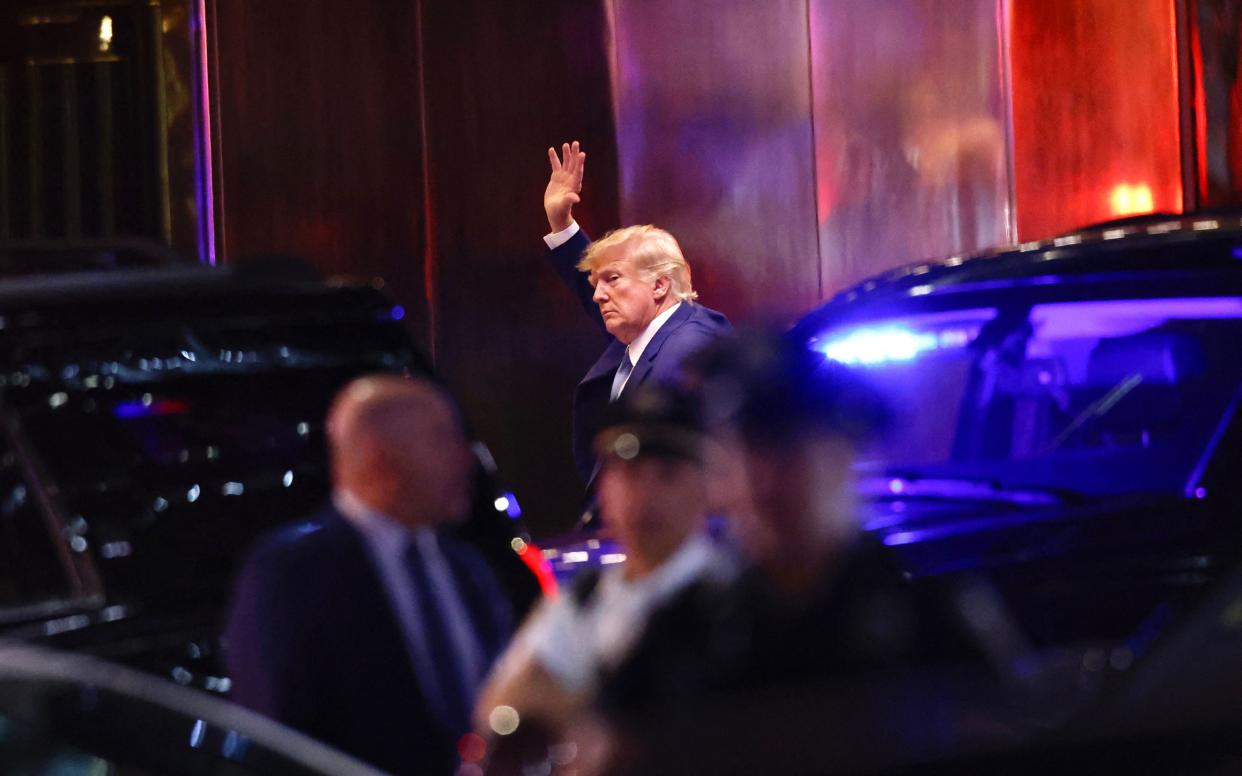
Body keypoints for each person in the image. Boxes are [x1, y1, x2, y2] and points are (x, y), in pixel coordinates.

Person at [223, 375, 513, 776]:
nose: (467, 458)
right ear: (381, 459)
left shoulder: (466, 569)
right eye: (441, 439)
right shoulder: (292, 574)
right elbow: (277, 746)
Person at [473, 382, 735, 740]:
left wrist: (580, 706)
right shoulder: (585, 599)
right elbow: (500, 710)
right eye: (629, 474)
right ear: (604, 492)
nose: (646, 496)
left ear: (707, 487)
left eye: (667, 475)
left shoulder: (733, 595)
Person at [542, 141, 732, 487]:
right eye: (595, 282)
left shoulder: (689, 345)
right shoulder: (646, 330)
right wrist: (562, 224)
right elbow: (599, 289)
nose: (599, 295)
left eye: (612, 279)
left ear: (659, 286)